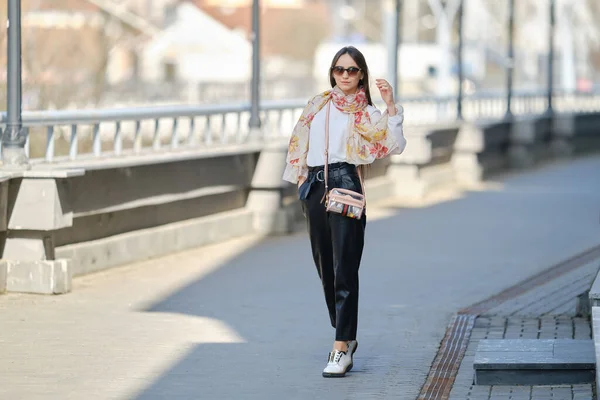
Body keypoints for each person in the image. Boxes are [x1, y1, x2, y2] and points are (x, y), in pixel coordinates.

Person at [282, 46, 407, 377]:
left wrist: (390, 105)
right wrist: (302, 180)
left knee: (345, 266)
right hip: (314, 184)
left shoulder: (364, 112)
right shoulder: (318, 103)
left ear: (361, 74)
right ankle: (346, 332)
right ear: (332, 72)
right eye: (339, 69)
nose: (345, 75)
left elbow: (392, 143)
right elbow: (298, 141)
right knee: (325, 267)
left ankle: (340, 346)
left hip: (344, 182)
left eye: (352, 70)